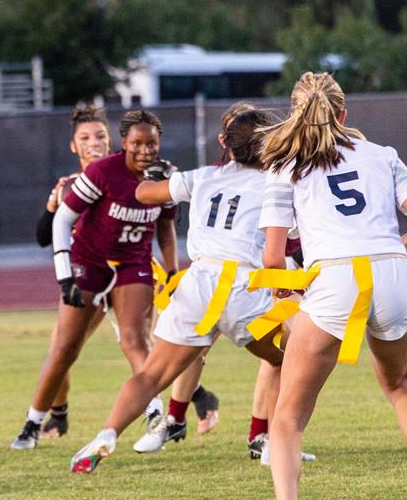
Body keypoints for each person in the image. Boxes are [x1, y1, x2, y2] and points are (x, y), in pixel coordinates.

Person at [254, 71, 407, 500]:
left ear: (295, 115)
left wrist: (292, 298)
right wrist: (404, 246)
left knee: (288, 416)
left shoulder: (284, 167)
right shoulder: (382, 154)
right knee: (399, 382)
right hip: (392, 272)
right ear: (344, 114)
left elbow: (271, 259)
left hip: (336, 279)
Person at [68, 109, 284, 474]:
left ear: (227, 145)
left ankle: (106, 433)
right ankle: (274, 444)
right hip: (242, 286)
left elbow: (145, 193)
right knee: (287, 359)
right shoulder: (277, 183)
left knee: (150, 376)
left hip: (198, 282)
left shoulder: (204, 176)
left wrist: (158, 176)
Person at [11, 110, 178, 450]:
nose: (145, 150)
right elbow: (57, 224)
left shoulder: (167, 174)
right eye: (137, 143)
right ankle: (34, 421)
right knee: (65, 347)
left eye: (152, 143)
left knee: (136, 340)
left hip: (133, 263)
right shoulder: (99, 173)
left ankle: (155, 415)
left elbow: (166, 227)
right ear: (124, 143)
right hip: (90, 262)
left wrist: (173, 273)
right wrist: (64, 276)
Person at [12, 106, 111, 447]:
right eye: (85, 137)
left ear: (111, 140)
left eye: (100, 136)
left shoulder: (125, 177)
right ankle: (58, 413)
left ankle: (169, 412)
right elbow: (43, 236)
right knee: (63, 350)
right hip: (83, 276)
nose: (93, 142)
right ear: (73, 146)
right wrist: (53, 205)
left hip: (125, 273)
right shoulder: (70, 185)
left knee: (139, 343)